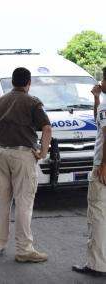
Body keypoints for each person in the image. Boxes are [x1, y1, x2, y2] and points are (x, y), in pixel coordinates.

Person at [0, 67, 52, 263]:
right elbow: (47, 128)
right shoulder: (33, 102)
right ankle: (24, 249)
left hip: (2, 154)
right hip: (22, 155)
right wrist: (42, 152)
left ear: (12, 82)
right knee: (23, 203)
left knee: (1, 201)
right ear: (28, 83)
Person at [72, 67, 106, 277]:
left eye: (103, 79)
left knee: (98, 214)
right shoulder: (102, 105)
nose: (100, 82)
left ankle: (96, 264)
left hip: (103, 165)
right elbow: (99, 122)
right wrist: (96, 99)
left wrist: (103, 165)